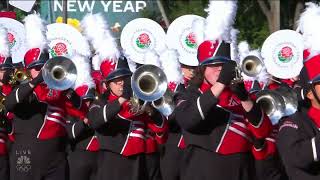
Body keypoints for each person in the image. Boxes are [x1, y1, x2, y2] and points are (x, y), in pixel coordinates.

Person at [174, 40, 272, 180]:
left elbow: (263, 131)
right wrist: (221, 83)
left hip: (243, 169)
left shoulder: (241, 96)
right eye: (213, 65)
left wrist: (244, 97)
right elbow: (189, 120)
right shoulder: (188, 94)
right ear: (202, 69)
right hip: (203, 169)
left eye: (223, 65)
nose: (220, 69)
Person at [87, 56, 166, 180]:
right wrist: (122, 99)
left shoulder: (139, 100)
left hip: (142, 159)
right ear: (107, 84)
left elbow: (161, 129)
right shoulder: (101, 102)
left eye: (125, 78)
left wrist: (150, 110)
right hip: (114, 160)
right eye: (116, 80)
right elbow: (95, 121)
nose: (122, 83)